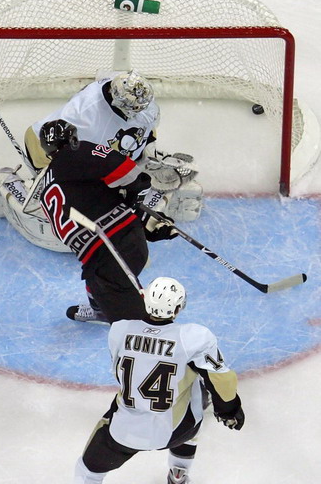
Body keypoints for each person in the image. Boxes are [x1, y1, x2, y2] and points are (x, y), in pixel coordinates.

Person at [72, 277, 245, 484]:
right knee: (198, 386)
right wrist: (229, 410)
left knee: (87, 472)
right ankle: (179, 472)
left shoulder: (119, 330)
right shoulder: (194, 337)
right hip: (177, 433)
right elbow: (221, 379)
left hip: (123, 433)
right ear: (178, 308)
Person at [39, 119, 178, 324]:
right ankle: (101, 309)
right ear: (73, 137)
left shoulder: (45, 186)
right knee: (96, 279)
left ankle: (120, 311)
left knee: (140, 329)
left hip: (109, 257)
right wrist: (137, 212)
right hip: (119, 251)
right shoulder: (75, 152)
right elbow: (131, 174)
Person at [25, 69, 203, 222]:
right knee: (91, 197)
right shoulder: (87, 117)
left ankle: (141, 163)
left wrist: (147, 150)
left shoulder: (124, 83)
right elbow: (76, 157)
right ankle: (29, 186)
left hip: (94, 140)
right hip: (44, 148)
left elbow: (104, 75)